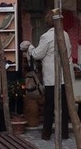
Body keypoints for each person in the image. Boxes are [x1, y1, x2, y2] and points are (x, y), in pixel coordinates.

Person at [20, 11, 72, 140]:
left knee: (49, 105)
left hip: (51, 76)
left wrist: (29, 47)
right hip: (64, 75)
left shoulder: (46, 36)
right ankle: (64, 132)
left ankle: (46, 133)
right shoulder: (65, 34)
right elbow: (69, 52)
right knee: (63, 106)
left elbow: (37, 54)